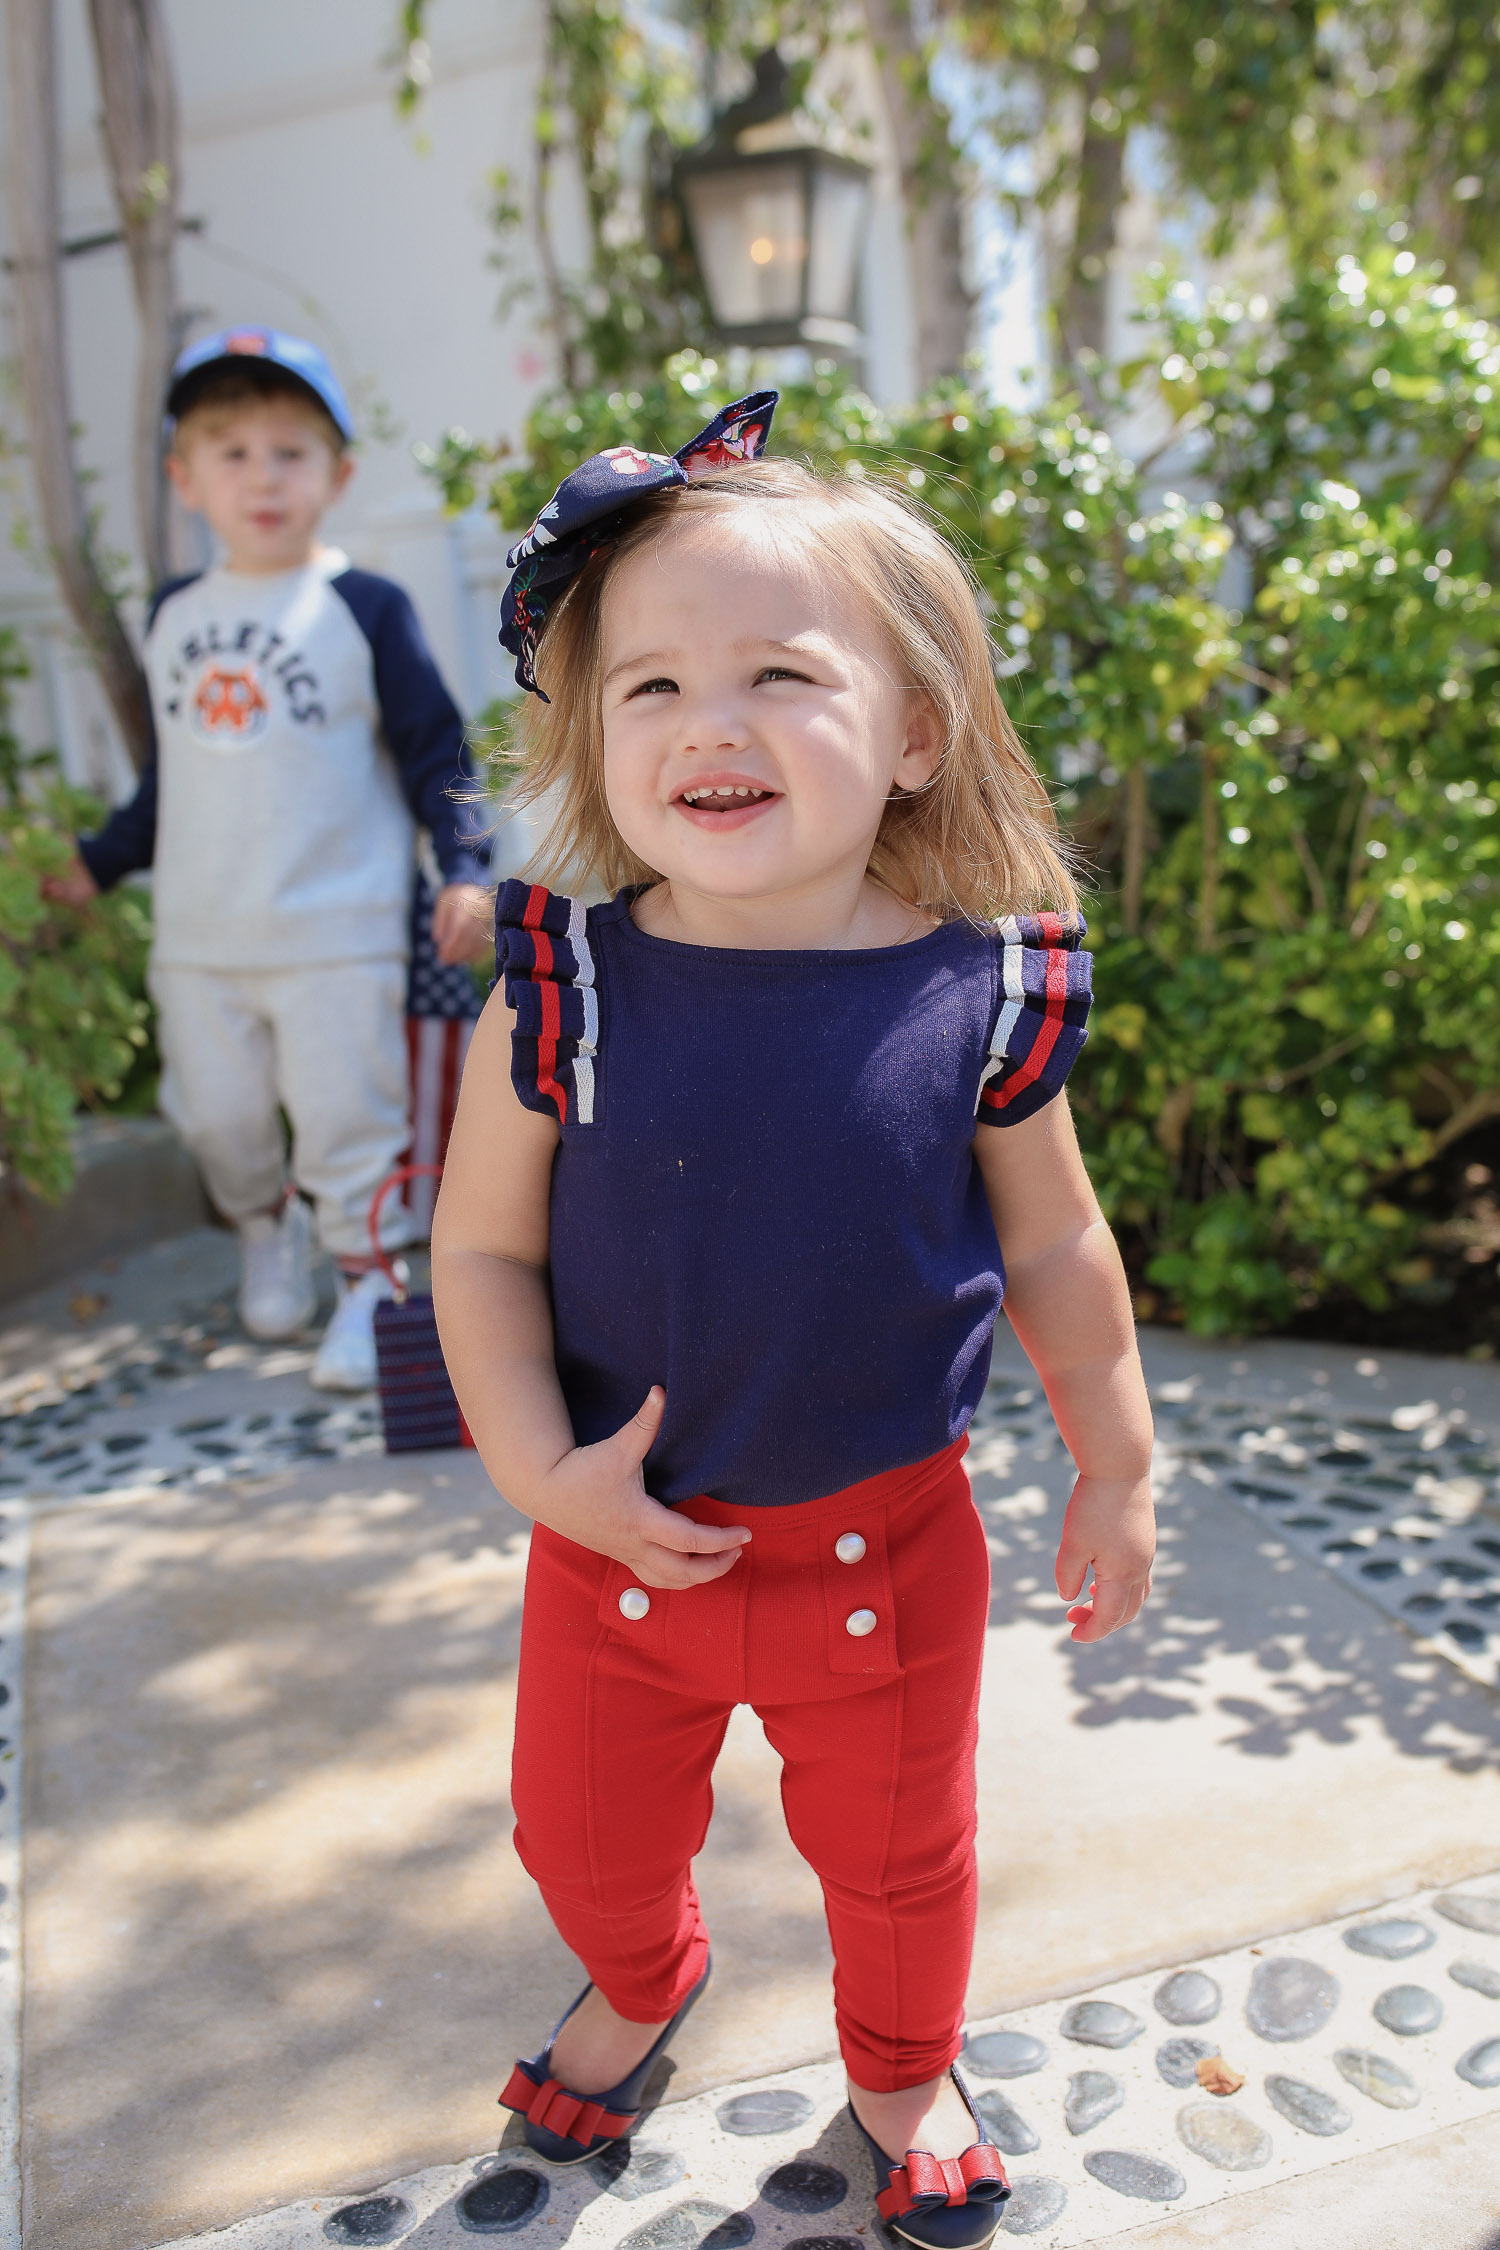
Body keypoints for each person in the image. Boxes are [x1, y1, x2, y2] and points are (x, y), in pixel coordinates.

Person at [430, 397, 1157, 2249]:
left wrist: (1116, 1461)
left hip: (885, 1547)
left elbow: (1063, 1248)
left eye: (776, 673)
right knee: (579, 1834)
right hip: (616, 1543)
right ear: (595, 735)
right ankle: (644, 1973)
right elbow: (483, 1258)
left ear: (913, 733)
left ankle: (904, 2068)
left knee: (902, 1861)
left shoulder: (978, 992)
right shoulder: (563, 982)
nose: (709, 724)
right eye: (651, 687)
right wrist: (540, 1472)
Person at [46, 327, 493, 1391]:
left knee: (349, 1117)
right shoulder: (175, 618)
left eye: (289, 452)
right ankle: (263, 1229)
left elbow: (440, 751)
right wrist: (101, 863)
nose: (262, 477)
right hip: (203, 933)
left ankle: (367, 1282)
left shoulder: (363, 608)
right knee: (219, 1119)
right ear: (184, 477)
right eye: (230, 452)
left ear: (336, 476)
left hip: (335, 926)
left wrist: (466, 866)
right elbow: (175, 781)